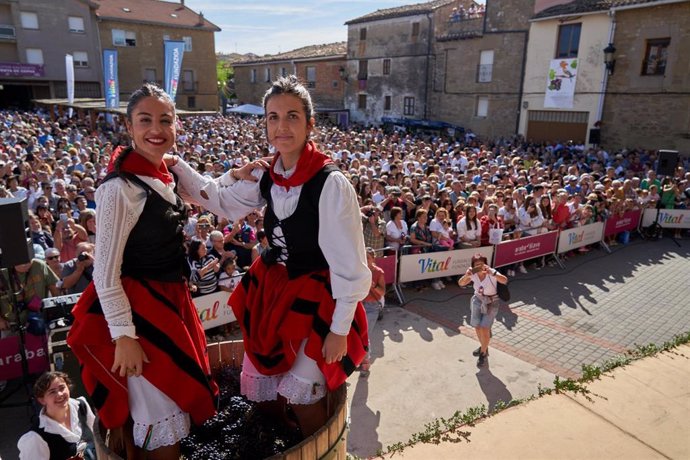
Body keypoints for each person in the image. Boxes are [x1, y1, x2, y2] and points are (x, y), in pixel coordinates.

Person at [169, 75, 370, 438]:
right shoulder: (268, 174)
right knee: (262, 385)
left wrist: (339, 330)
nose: (281, 126)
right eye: (273, 117)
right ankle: (281, 441)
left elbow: (351, 266)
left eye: (292, 116)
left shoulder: (330, 183)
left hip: (319, 297)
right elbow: (219, 201)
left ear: (310, 124)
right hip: (274, 290)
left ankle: (315, 449)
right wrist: (178, 165)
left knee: (305, 393)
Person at [67, 83, 218, 459]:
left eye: (165, 120)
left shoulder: (161, 174)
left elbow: (209, 192)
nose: (156, 129)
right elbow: (104, 273)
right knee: (159, 413)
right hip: (140, 315)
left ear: (177, 127)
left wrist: (239, 175)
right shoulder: (118, 189)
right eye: (145, 120)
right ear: (129, 127)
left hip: (168, 303)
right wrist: (123, 336)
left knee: (170, 409)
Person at [17, 371, 96, 460]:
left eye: (62, 388)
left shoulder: (82, 406)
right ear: (42, 400)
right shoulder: (36, 438)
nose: (59, 394)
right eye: (52, 392)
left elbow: (97, 438)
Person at [457, 254, 508, 366]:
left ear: (486, 264)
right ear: (473, 266)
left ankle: (483, 353)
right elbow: (460, 283)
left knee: (485, 328)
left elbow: (504, 280)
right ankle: (484, 346)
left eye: (482, 264)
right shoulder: (473, 274)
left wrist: (492, 272)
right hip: (477, 300)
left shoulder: (491, 272)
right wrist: (466, 275)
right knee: (477, 326)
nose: (479, 266)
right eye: (476, 265)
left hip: (492, 302)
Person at [359, 247, 385, 377]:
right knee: (357, 334)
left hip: (371, 307)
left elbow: (382, 292)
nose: (365, 260)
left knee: (365, 335)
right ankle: (359, 358)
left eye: (368, 257)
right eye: (363, 257)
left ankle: (365, 361)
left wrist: (372, 285)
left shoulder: (378, 272)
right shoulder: (359, 270)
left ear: (373, 259)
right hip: (358, 305)